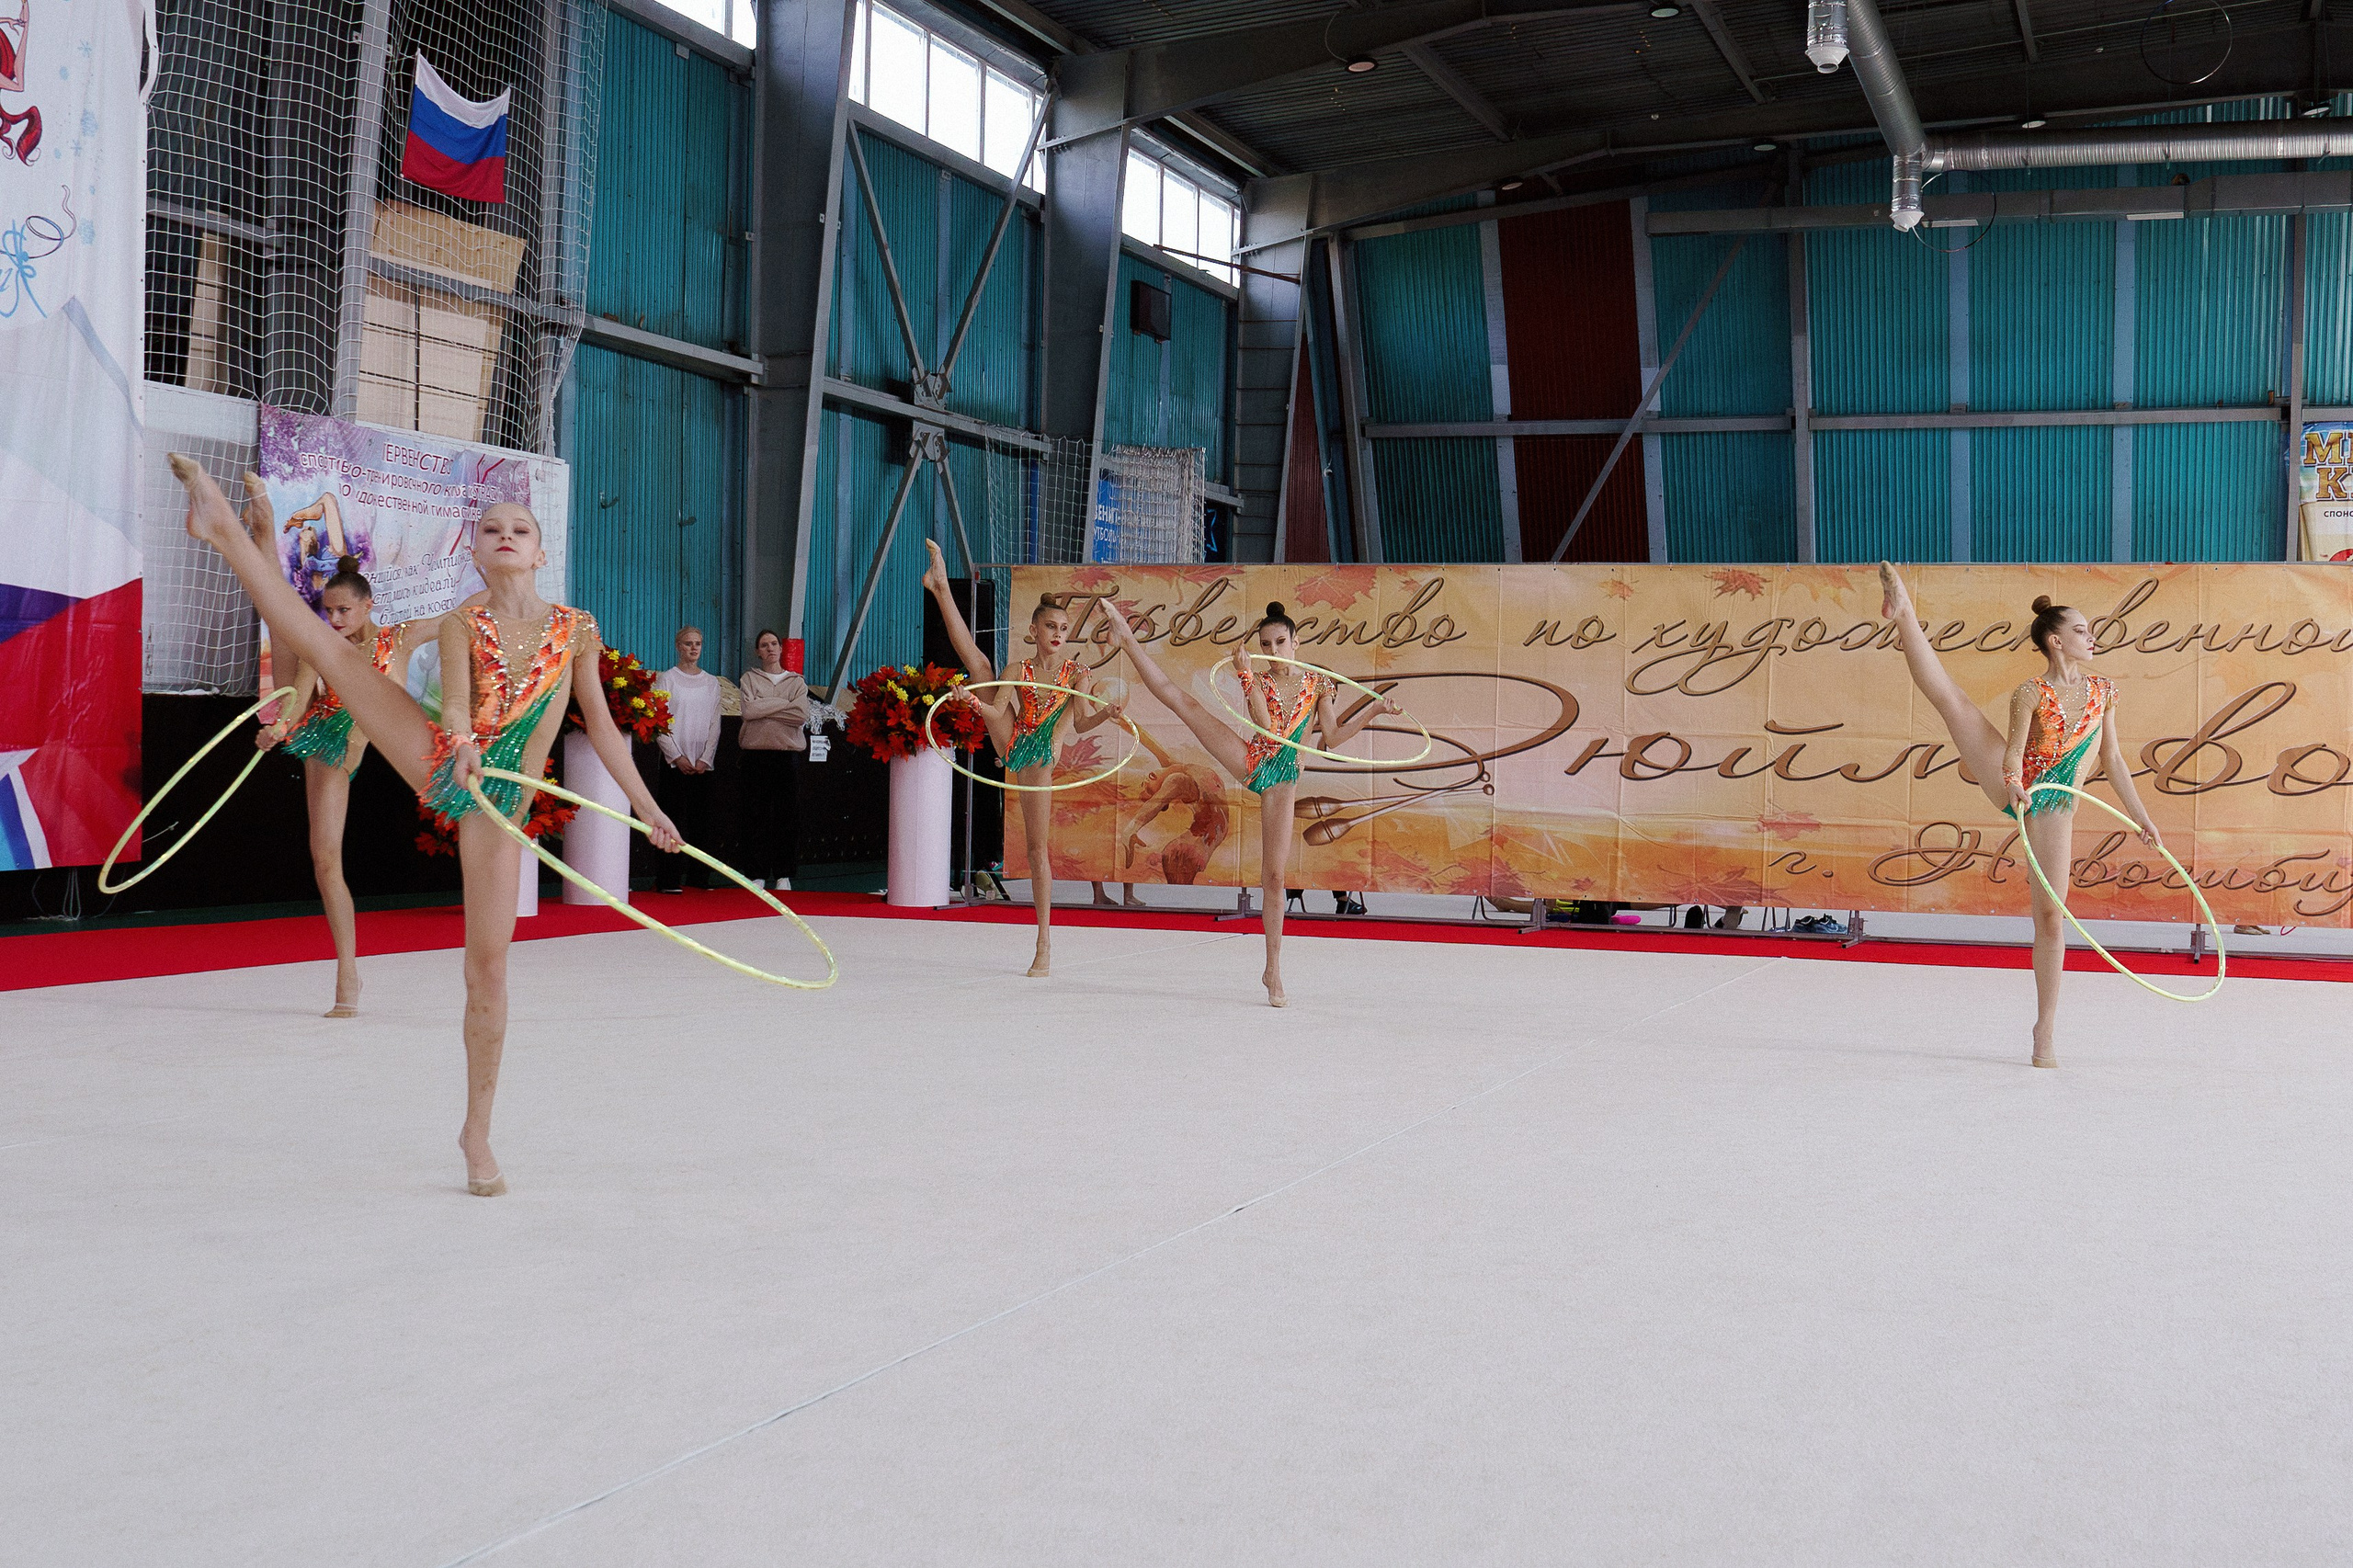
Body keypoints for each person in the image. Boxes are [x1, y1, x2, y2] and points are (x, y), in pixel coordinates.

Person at [170, 456, 679, 1196]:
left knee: (489, 968)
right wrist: (464, 740)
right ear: (473, 550)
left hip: (503, 805)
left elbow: (600, 727)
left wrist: (649, 809)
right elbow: (453, 705)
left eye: (521, 529)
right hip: (450, 760)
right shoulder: (462, 621)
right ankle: (225, 530)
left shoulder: (575, 630)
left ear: (541, 552)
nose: (506, 535)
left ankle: (476, 1130)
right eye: (492, 528)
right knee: (325, 650)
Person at [1879, 564, 2161, 1069]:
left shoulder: (2104, 691)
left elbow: (2113, 759)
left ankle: (2043, 1030)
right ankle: (1903, 613)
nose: (2090, 637)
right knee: (1955, 704)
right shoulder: (2029, 692)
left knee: (2051, 918)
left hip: (2057, 804)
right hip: (2024, 784)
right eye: (2080, 630)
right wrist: (2013, 783)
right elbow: (2013, 753)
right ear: (2055, 641)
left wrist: (2140, 818)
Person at [1104, 601, 1399, 1007]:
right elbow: (1267, 729)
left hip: (1283, 779)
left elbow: (1334, 735)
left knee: (1274, 877)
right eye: (1266, 644)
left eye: (1281, 642)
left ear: (1296, 642)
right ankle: (1127, 639)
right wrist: (1245, 674)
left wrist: (1376, 710)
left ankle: (1272, 969)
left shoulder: (1319, 683)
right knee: (1181, 702)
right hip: (1254, 759)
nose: (1274, 650)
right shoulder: (1258, 679)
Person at [921, 539, 1124, 977]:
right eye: (1050, 626)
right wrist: (974, 706)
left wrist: (1106, 712)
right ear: (1034, 631)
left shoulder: (1077, 675)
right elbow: (997, 710)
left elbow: (1083, 723)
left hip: (1042, 761)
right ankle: (940, 586)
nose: (1057, 633)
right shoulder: (1019, 669)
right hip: (1011, 741)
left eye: (1063, 628)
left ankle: (1044, 943)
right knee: (981, 671)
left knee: (1037, 851)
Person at [254, 555, 426, 1017]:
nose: (333, 620)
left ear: (368, 606)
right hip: (327, 741)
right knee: (325, 855)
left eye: (343, 611)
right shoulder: (324, 647)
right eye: (328, 612)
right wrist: (277, 730)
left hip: (391, 735)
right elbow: (295, 704)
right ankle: (347, 970)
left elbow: (459, 619)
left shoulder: (398, 639)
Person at [736, 629, 809, 892]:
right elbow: (749, 711)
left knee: (786, 816)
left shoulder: (797, 682)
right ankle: (756, 873)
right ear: (758, 651)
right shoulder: (749, 679)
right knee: (756, 815)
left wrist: (765, 705)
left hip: (786, 756)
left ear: (781, 648)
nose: (770, 648)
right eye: (764, 645)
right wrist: (782, 704)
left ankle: (783, 874)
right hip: (755, 756)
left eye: (774, 643)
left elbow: (800, 714)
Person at [654, 626, 722, 893]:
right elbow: (660, 721)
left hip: (702, 764)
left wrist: (706, 758)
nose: (694, 648)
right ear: (678, 646)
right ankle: (668, 880)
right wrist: (676, 756)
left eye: (699, 643)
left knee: (701, 823)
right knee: (671, 820)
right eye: (689, 643)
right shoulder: (666, 679)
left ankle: (698, 879)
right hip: (674, 763)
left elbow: (714, 723)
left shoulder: (711, 682)